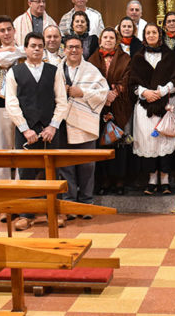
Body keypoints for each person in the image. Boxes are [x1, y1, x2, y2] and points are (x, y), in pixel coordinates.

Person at [5, 32, 68, 231]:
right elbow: (11, 103)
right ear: (25, 48)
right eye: (33, 46)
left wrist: (53, 126)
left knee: (52, 172)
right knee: (26, 172)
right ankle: (26, 215)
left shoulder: (54, 70)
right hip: (25, 131)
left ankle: (54, 212)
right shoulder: (15, 72)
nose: (37, 49)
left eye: (40, 46)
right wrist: (25, 129)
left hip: (50, 130)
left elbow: (62, 101)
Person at [129, 23, 175, 195]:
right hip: (145, 106)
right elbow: (132, 82)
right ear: (144, 36)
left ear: (160, 35)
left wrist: (163, 91)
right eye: (148, 33)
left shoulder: (170, 55)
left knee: (165, 140)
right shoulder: (138, 57)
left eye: (154, 32)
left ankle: (165, 179)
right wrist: (144, 92)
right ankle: (152, 179)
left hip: (166, 104)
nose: (151, 35)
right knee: (149, 141)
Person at [59, 35, 108, 219]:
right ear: (64, 49)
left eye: (77, 47)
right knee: (66, 166)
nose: (73, 50)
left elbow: (103, 92)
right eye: (70, 47)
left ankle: (87, 203)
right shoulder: (57, 69)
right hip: (63, 123)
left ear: (82, 49)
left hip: (84, 123)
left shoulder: (91, 70)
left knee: (87, 166)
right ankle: (70, 204)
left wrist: (82, 92)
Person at [90, 28, 133, 195]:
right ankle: (104, 180)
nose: (108, 40)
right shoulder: (92, 59)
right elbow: (89, 80)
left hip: (120, 105)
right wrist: (104, 95)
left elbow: (128, 78)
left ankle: (119, 181)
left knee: (119, 143)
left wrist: (114, 92)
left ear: (117, 41)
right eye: (105, 37)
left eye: (111, 37)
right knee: (102, 143)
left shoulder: (125, 58)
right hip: (99, 107)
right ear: (100, 40)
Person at [0, 15, 25, 181]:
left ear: (14, 31)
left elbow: (4, 58)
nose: (6, 33)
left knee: (21, 150)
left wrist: (10, 52)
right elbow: (0, 60)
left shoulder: (23, 49)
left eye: (9, 29)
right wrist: (12, 52)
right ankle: (1, 188)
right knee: (0, 150)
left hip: (22, 106)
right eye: (2, 30)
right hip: (0, 106)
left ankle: (21, 188)